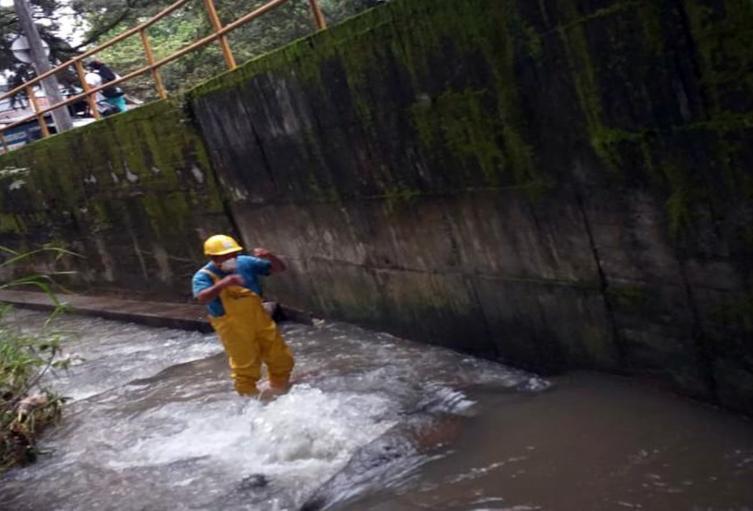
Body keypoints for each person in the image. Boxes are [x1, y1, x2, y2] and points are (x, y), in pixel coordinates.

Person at [192, 234, 294, 397]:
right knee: (245, 366)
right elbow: (202, 297)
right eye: (225, 256)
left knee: (281, 357)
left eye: (233, 255)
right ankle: (250, 400)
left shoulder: (245, 262)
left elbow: (279, 268)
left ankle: (280, 389)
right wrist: (223, 284)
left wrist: (270, 256)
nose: (231, 259)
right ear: (213, 257)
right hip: (232, 327)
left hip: (259, 318)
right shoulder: (203, 276)